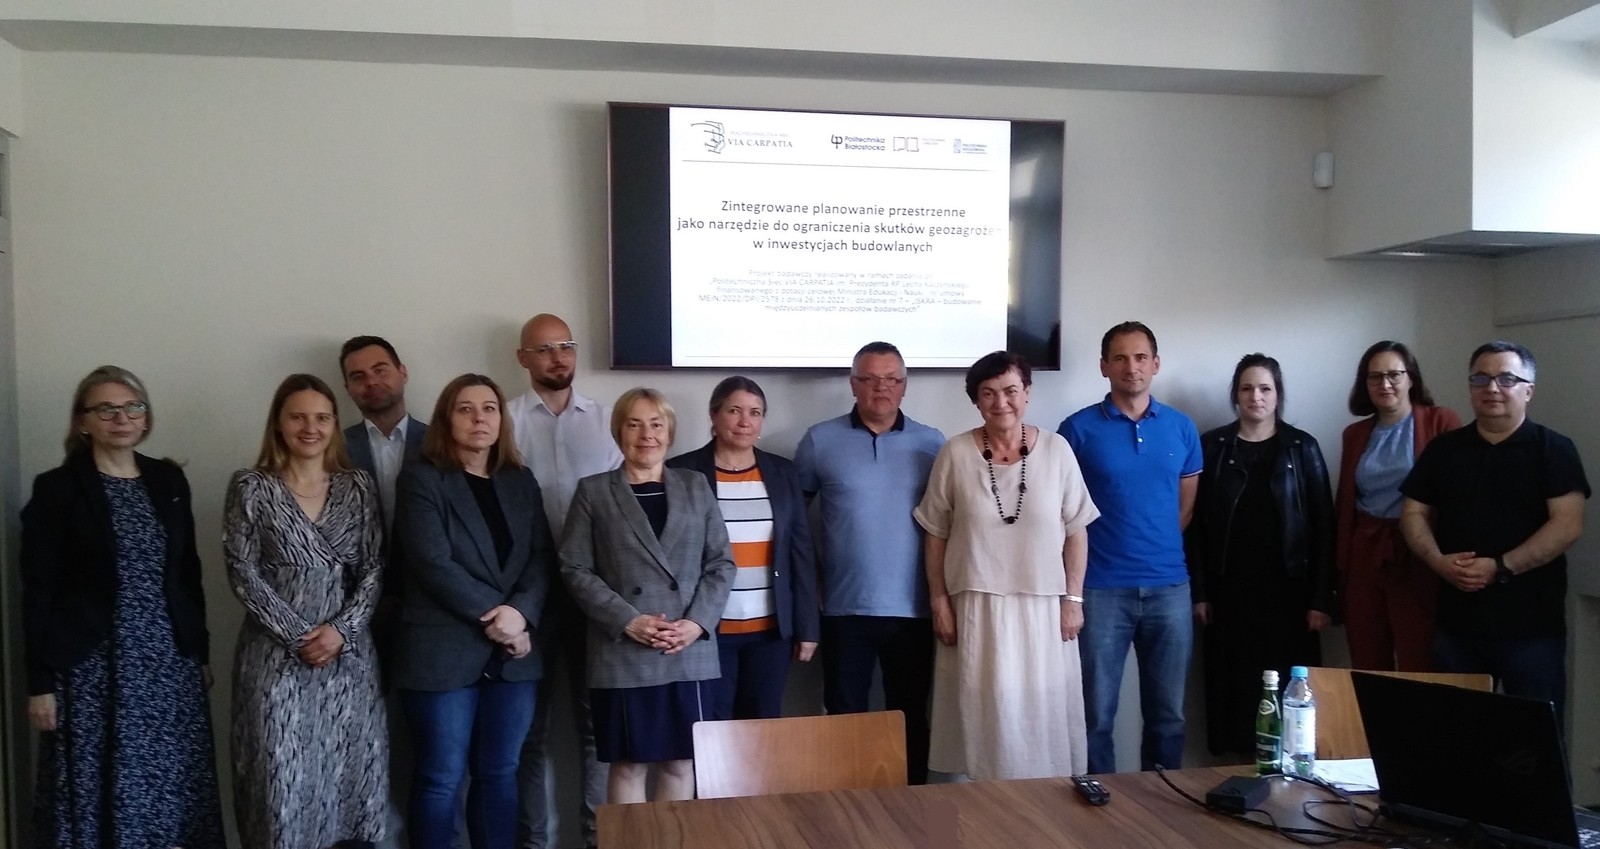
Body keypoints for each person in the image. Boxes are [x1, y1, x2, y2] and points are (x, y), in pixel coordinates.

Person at [20, 365, 225, 849]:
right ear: (82, 421)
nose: (122, 418)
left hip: (167, 667)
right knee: (95, 786)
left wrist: (199, 652)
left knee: (169, 784)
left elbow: (187, 574)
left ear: (146, 417)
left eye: (133, 407)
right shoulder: (57, 489)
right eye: (107, 409)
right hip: (92, 671)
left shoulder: (168, 479)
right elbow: (39, 589)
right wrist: (40, 684)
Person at [913, 352, 1099, 780]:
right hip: (976, 607)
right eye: (988, 393)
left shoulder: (1057, 450)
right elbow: (935, 533)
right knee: (984, 714)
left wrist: (1073, 599)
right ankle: (987, 810)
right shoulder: (955, 453)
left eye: (1011, 390)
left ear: (1027, 393)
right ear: (976, 400)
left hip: (1043, 609)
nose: (1001, 402)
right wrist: (939, 602)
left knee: (1041, 713)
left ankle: (1044, 808)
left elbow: (1076, 530)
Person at [224, 373, 388, 849]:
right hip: (274, 658)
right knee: (281, 779)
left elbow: (374, 567)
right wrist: (300, 635)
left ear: (334, 424)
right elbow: (241, 571)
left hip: (348, 657)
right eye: (298, 417)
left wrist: (340, 631)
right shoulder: (251, 486)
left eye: (321, 418)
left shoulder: (358, 486)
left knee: (351, 777)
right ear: (278, 423)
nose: (310, 428)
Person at [393, 373, 554, 849]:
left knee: (500, 771)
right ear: (447, 419)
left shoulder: (519, 480)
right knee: (441, 777)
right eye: (465, 409)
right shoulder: (422, 478)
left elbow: (540, 557)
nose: (479, 418)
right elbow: (431, 562)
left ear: (502, 419)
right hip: (442, 652)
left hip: (514, 657)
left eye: (489, 408)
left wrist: (521, 614)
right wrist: (501, 617)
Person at [559, 388, 735, 803]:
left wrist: (696, 623)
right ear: (618, 432)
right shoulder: (593, 491)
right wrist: (628, 621)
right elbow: (574, 568)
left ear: (669, 431)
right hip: (622, 651)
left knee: (681, 763)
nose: (646, 434)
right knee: (629, 764)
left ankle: (673, 837)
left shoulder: (696, 486)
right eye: (634, 424)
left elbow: (721, 563)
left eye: (656, 424)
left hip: (688, 651)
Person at [1400, 341, 1588, 717]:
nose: (1492, 388)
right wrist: (1437, 561)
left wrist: (1500, 567)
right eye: (1480, 378)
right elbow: (1413, 513)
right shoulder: (1444, 450)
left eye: (1507, 379)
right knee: (1453, 734)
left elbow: (1568, 525)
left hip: (1532, 629)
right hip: (1457, 625)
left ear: (1529, 390)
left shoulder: (1554, 449)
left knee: (1533, 741)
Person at [793, 341, 944, 784]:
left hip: (914, 609)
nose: (881, 388)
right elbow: (793, 525)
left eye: (891, 379)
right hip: (843, 610)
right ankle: (847, 812)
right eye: (870, 379)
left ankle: (912, 810)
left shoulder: (933, 443)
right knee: (845, 720)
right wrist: (811, 585)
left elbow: (949, 526)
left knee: (910, 718)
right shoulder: (819, 440)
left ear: (904, 386)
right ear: (853, 384)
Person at [1058, 321, 1202, 773]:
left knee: (1168, 716)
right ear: (1104, 366)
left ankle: (1161, 801)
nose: (1131, 367)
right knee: (1095, 715)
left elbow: (1185, 509)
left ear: (1156, 364)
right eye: (1119, 358)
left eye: (1140, 357)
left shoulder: (1181, 428)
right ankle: (1096, 798)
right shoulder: (1076, 430)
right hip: (1100, 590)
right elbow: (1064, 514)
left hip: (1169, 589)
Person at [507, 313, 621, 849]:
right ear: (522, 358)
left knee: (597, 729)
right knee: (529, 734)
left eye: (566, 346)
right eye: (545, 349)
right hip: (524, 601)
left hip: (594, 596)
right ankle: (535, 843)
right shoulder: (502, 422)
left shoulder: (607, 423)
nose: (558, 357)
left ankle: (597, 840)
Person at [1185, 354, 1335, 756]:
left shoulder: (1302, 447)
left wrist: (1321, 599)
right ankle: (1236, 771)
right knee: (1233, 687)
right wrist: (1200, 592)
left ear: (1278, 394)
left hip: (1290, 596)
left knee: (1289, 689)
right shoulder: (1213, 446)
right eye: (1247, 388)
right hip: (1228, 594)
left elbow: (1324, 526)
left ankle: (1289, 768)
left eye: (1265, 388)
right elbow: (1195, 527)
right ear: (1235, 394)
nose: (1256, 397)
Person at [666, 375, 821, 719]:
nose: (744, 421)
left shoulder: (782, 472)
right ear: (714, 414)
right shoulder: (681, 471)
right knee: (711, 728)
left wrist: (808, 627)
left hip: (770, 632)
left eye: (755, 412)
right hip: (706, 629)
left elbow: (800, 553)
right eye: (734, 410)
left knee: (761, 728)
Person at [1335, 341, 1460, 671]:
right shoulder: (1354, 434)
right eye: (1375, 377)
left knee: (1419, 659)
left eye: (1394, 374)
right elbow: (1345, 503)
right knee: (1366, 658)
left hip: (1417, 553)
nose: (1385, 384)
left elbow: (1457, 495)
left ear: (1411, 378)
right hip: (1365, 553)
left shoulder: (1440, 422)